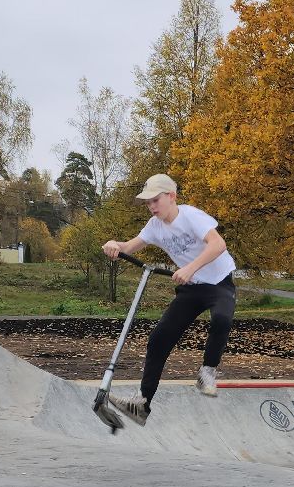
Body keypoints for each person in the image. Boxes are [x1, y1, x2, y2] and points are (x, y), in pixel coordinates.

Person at [100, 174, 237, 424]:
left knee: (221, 321)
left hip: (219, 284)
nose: (152, 207)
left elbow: (218, 245)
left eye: (155, 200)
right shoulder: (154, 226)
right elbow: (129, 246)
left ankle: (207, 371)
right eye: (148, 203)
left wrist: (189, 268)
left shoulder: (190, 216)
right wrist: (113, 245)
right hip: (191, 290)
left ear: (171, 197)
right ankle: (141, 406)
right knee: (159, 339)